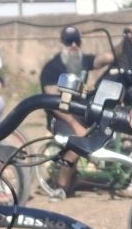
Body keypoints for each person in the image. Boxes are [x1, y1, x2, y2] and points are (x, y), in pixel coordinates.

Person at [39, 25, 115, 198]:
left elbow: (107, 57)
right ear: (62, 43)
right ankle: (60, 187)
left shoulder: (82, 62)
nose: (73, 45)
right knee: (78, 141)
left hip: (82, 115)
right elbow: (53, 103)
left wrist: (128, 39)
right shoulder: (52, 68)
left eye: (77, 41)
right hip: (61, 118)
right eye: (69, 41)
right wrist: (74, 124)